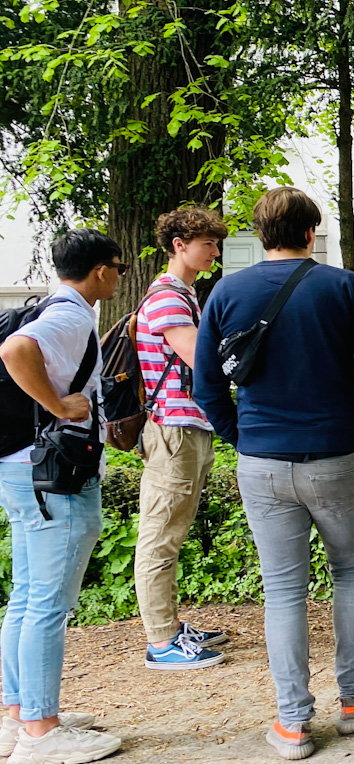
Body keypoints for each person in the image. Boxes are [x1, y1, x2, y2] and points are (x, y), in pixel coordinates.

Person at [194, 188, 354, 759]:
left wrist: (243, 438)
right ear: (311, 232)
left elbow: (206, 386)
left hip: (262, 462)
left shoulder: (224, 292)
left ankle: (292, 723)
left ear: (261, 235)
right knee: (353, 573)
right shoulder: (341, 286)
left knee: (283, 589)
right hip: (336, 454)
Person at [0, 229, 123, 763]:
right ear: (100, 271)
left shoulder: (49, 307)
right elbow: (15, 349)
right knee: (49, 603)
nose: (119, 276)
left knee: (27, 596)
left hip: (19, 468)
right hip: (53, 476)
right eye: (117, 267)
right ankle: (42, 731)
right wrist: (57, 404)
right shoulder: (72, 317)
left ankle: (18, 712)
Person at [135, 207, 231, 670]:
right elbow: (201, 360)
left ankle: (171, 629)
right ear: (180, 245)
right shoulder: (169, 298)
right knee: (160, 535)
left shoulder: (184, 295)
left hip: (186, 426)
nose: (214, 251)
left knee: (171, 531)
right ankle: (160, 642)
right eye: (207, 243)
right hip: (173, 429)